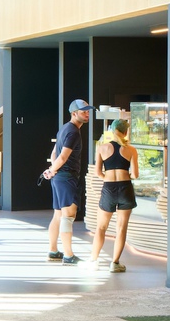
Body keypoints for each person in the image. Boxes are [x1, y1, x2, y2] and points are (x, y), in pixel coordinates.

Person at [43, 99, 91, 263]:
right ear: (73, 113)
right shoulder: (73, 132)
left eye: (87, 111)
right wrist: (53, 170)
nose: (87, 114)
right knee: (68, 216)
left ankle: (53, 250)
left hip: (59, 178)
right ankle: (69, 255)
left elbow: (53, 154)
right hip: (66, 177)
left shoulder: (64, 129)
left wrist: (52, 170)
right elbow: (62, 157)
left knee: (58, 215)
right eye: (83, 111)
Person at [88, 117, 137, 269]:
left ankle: (93, 261)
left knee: (101, 227)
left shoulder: (102, 148)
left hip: (108, 188)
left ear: (112, 130)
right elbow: (135, 175)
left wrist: (108, 178)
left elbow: (98, 173)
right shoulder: (131, 149)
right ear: (126, 132)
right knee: (121, 228)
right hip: (125, 188)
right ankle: (115, 263)